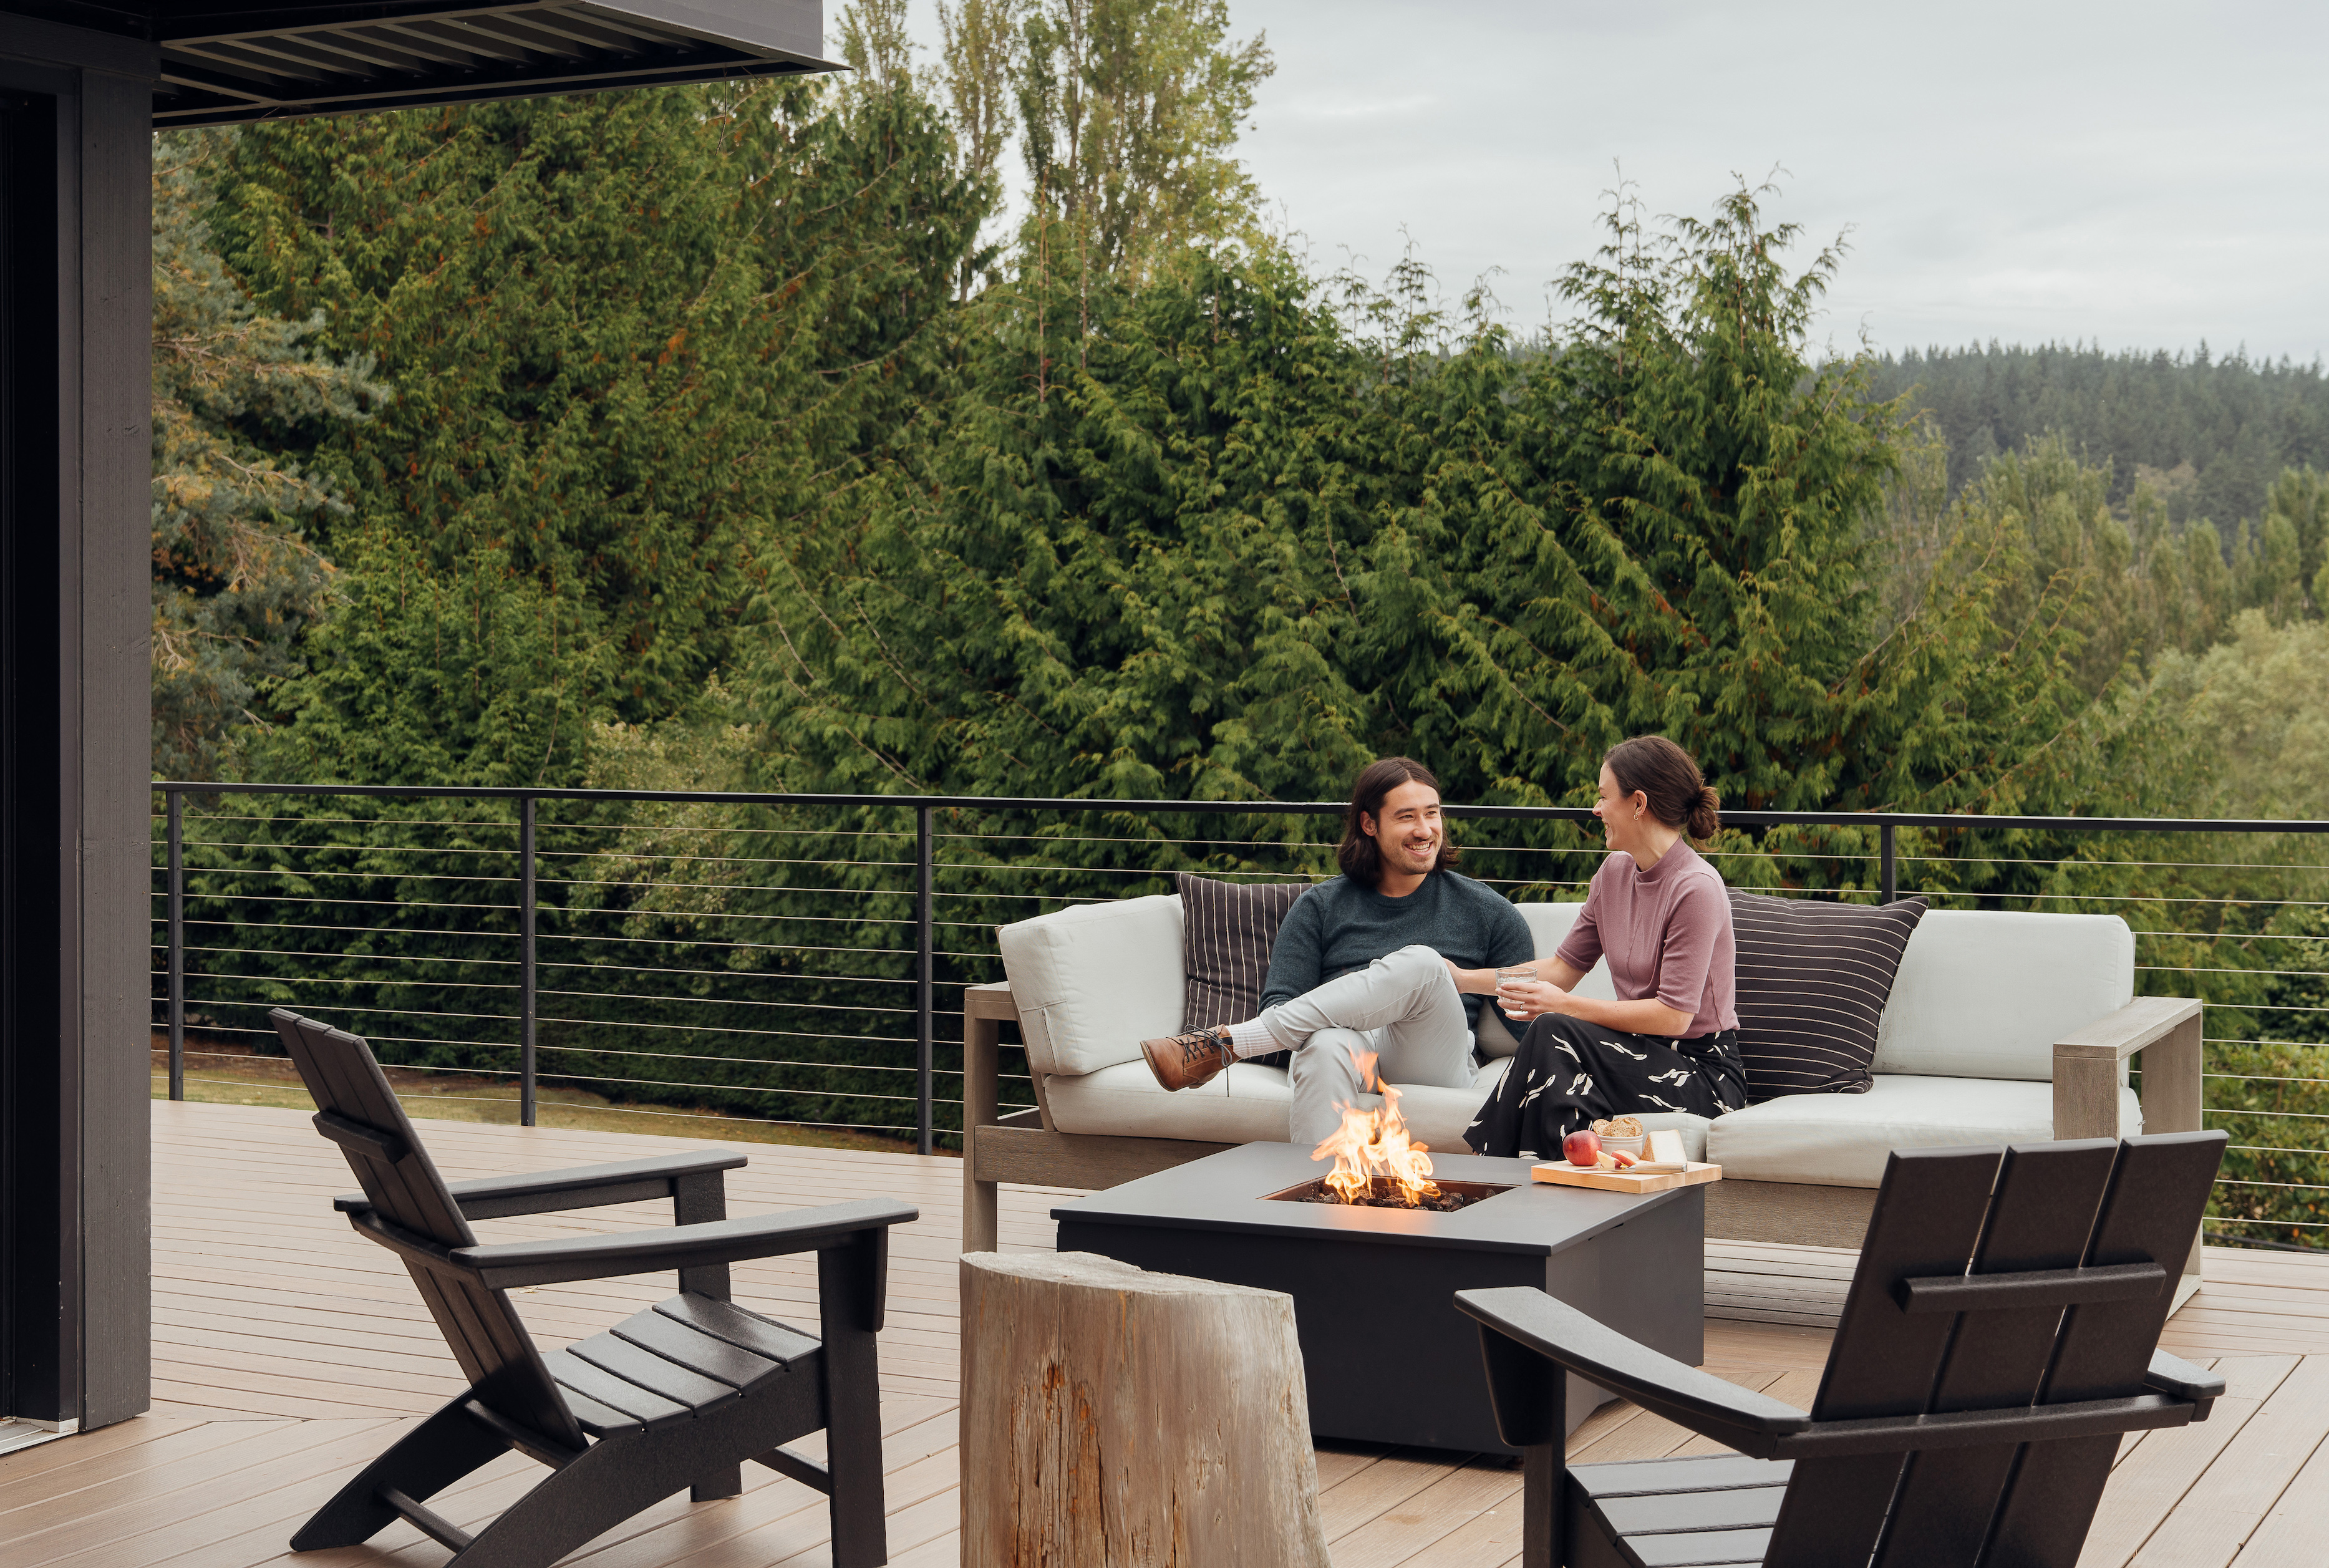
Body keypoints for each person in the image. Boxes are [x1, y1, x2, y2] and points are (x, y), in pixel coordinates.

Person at [1137, 757, 1536, 1146]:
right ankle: (1317, 1202)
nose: (1424, 830)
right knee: (1324, 1046)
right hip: (1346, 1044)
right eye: (1406, 817)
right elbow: (1279, 1002)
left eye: (1432, 814)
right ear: (1369, 824)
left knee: (1423, 964)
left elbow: (1529, 1021)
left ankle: (1229, 1043)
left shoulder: (1486, 910)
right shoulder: (1321, 905)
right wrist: (1356, 997)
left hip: (1430, 1056)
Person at [1464, 735, 1747, 1159]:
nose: (1596, 810)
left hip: (1701, 1074)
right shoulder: (1614, 873)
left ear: (1638, 803)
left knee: (1552, 1031)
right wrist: (1462, 979)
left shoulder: (1697, 889)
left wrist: (1563, 1006)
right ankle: (1551, 1176)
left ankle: (1498, 1173)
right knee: (1557, 1062)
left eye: (1603, 797)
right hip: (1632, 1054)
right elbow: (1561, 968)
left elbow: (1673, 1017)